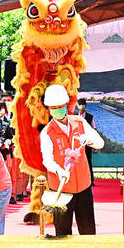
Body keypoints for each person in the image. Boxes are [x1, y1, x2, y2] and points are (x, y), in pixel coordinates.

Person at [40, 84, 104, 236]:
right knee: (62, 232)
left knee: (88, 229)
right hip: (61, 190)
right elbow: (47, 160)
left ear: (67, 105)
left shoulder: (79, 122)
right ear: (48, 108)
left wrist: (88, 139)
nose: (57, 110)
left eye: (60, 106)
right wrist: (59, 170)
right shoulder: (47, 132)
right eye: (53, 107)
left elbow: (100, 143)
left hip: (83, 185)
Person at [76, 98, 97, 186]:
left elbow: (94, 129)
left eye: (83, 105)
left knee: (88, 161)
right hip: (77, 143)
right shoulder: (74, 116)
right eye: (79, 105)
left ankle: (90, 180)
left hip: (88, 143)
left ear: (86, 106)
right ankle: (78, 180)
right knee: (77, 162)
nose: (81, 107)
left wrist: (94, 144)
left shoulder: (90, 117)